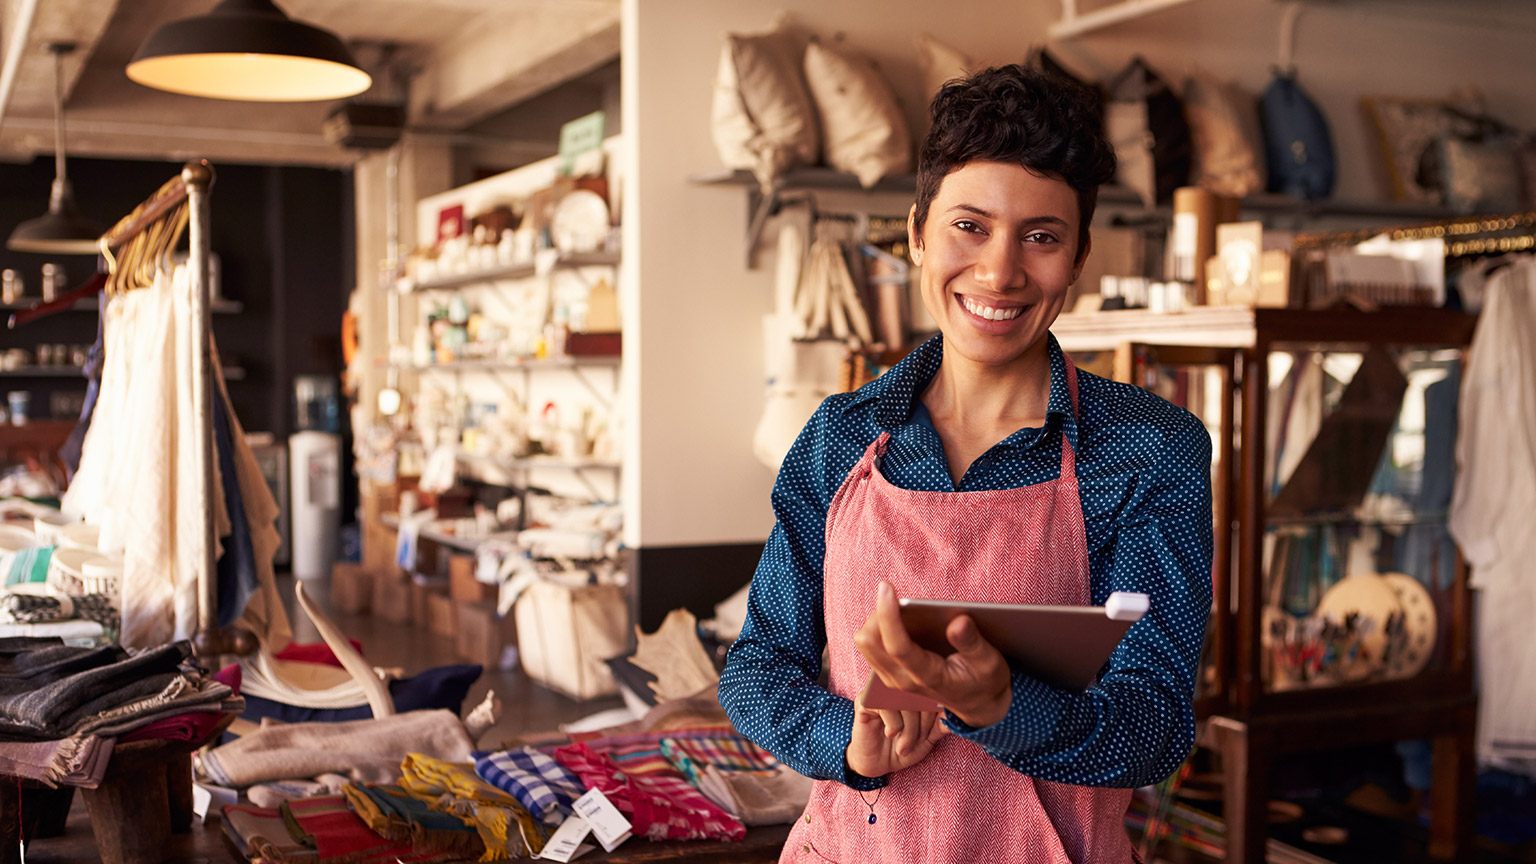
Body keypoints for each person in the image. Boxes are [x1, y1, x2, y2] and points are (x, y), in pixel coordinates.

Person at [718, 63, 1213, 863]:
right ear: (917, 232)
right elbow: (757, 667)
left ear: (1079, 255)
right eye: (969, 227)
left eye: (1041, 237)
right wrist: (847, 741)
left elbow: (1153, 728)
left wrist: (1003, 706)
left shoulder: (1151, 449)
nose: (999, 272)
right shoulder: (840, 437)